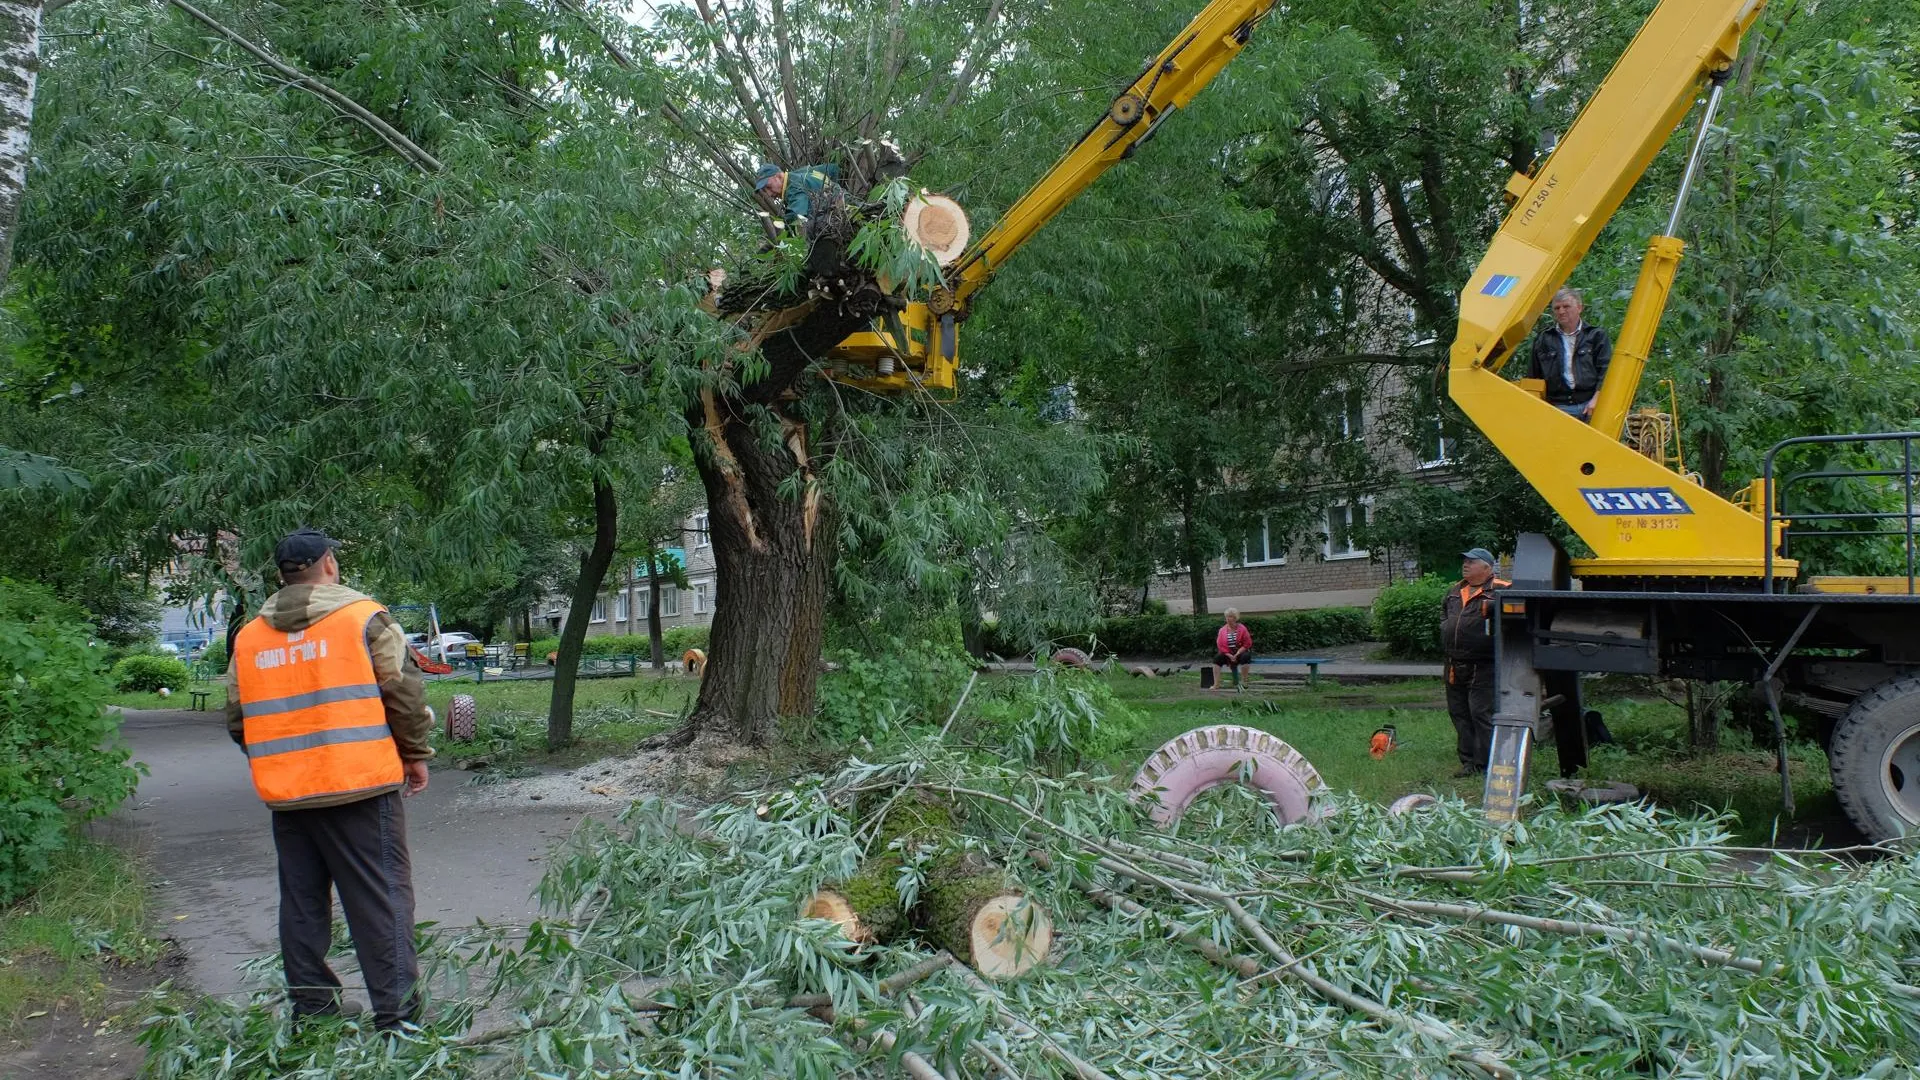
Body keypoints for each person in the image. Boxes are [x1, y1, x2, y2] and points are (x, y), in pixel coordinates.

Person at [225, 528, 433, 1032]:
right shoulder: (364, 619)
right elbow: (402, 694)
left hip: (289, 795)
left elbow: (237, 717)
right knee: (380, 900)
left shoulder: (250, 635)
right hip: (360, 785)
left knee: (301, 904)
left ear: (283, 574)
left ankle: (314, 1012)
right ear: (329, 565)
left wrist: (284, 761)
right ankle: (399, 1020)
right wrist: (415, 754)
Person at [1441, 548, 1511, 777]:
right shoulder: (1454, 591)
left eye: (1472, 562)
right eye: (1465, 561)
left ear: (1487, 567)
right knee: (1459, 713)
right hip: (1454, 663)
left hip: (1484, 664)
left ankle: (1486, 764)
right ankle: (1468, 762)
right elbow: (1445, 617)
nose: (1466, 565)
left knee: (1480, 713)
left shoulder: (1502, 589)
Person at [1527, 287, 1613, 420]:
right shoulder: (1544, 339)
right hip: (1558, 407)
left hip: (1591, 403)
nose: (1561, 311)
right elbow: (1533, 376)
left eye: (1566, 306)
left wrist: (1597, 399)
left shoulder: (1595, 335)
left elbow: (1606, 371)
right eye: (1557, 308)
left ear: (1579, 307)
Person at [754, 162, 842, 227]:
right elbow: (834, 168)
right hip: (848, 204)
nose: (769, 194)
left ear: (778, 176)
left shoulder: (792, 187)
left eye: (768, 187)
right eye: (765, 191)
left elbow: (796, 215)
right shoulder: (804, 171)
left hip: (840, 217)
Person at [1214, 608, 1253, 691]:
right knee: (1217, 658)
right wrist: (1229, 655)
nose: (1228, 618)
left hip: (1240, 653)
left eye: (1231, 616)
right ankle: (1216, 684)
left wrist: (1237, 654)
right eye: (1227, 616)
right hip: (1227, 653)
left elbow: (1247, 643)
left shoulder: (1242, 628)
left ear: (1235, 618)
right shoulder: (1222, 630)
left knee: (1245, 656)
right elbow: (1220, 645)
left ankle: (1244, 682)